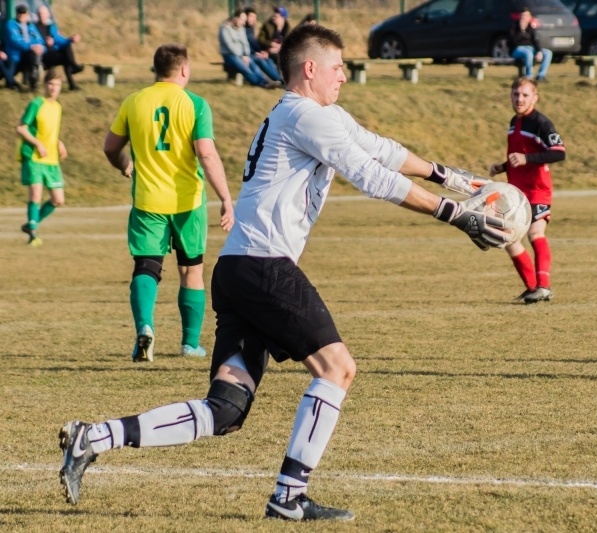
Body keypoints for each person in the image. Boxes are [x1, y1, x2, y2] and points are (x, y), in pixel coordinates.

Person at [58, 24, 509, 521]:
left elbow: (380, 148)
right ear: (310, 69)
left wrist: (451, 178)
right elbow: (372, 177)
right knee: (337, 369)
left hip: (239, 267)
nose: (344, 76)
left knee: (225, 410)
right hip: (264, 265)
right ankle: (289, 495)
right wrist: (456, 213)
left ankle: (93, 437)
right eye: (337, 68)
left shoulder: (319, 115)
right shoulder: (302, 115)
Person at [102, 43, 235, 362]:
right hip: (188, 203)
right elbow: (205, 152)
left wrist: (125, 165)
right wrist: (226, 198)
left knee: (146, 267)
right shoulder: (195, 104)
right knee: (191, 271)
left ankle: (145, 328)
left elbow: (110, 147)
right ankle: (190, 344)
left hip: (148, 201)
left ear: (156, 70)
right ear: (185, 69)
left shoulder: (134, 101)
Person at [489, 78, 565, 304]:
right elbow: (519, 156)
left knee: (535, 234)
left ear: (535, 97)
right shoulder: (514, 122)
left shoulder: (541, 123)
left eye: (524, 95)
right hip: (516, 191)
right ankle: (533, 288)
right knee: (507, 238)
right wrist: (503, 167)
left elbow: (559, 152)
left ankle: (543, 285)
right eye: (516, 94)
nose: (519, 99)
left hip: (537, 189)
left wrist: (527, 158)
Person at [16, 69, 67, 247]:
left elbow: (50, 132)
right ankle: (33, 234)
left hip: (51, 160)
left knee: (58, 200)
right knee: (35, 194)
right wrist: (37, 144)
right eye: (51, 84)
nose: (54, 88)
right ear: (45, 85)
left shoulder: (58, 107)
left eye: (57, 84)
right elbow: (21, 128)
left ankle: (32, 224)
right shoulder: (37, 103)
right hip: (34, 157)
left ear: (61, 87)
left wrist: (59, 142)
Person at [218, 9, 276, 88]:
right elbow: (230, 46)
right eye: (242, 20)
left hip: (242, 55)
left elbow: (245, 43)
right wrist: (242, 56)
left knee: (253, 64)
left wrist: (246, 55)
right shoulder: (225, 29)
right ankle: (259, 83)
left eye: (244, 20)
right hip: (229, 55)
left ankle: (265, 81)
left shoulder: (241, 28)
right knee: (244, 67)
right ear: (235, 18)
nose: (243, 23)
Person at [35, 5, 84, 91]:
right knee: (66, 58)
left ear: (48, 15)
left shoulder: (51, 27)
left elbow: (59, 39)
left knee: (66, 48)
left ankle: (72, 83)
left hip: (53, 54)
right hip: (43, 55)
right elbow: (33, 41)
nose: (41, 15)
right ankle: (74, 67)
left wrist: (70, 39)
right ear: (37, 15)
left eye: (43, 14)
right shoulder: (34, 27)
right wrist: (45, 43)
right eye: (40, 13)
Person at [4, 4, 45, 90]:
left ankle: (33, 82)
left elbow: (39, 39)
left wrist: (38, 47)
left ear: (27, 15)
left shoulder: (31, 26)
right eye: (20, 14)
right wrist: (31, 46)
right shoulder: (11, 24)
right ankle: (11, 82)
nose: (22, 16)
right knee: (9, 77)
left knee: (34, 55)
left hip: (28, 53)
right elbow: (16, 41)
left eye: (24, 14)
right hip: (15, 55)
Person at [509, 7, 552, 82]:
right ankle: (529, 76)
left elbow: (535, 40)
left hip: (530, 48)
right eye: (522, 16)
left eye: (526, 16)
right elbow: (513, 41)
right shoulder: (513, 27)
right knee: (528, 53)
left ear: (529, 17)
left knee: (548, 53)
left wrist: (539, 51)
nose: (524, 18)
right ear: (519, 16)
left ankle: (540, 75)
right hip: (517, 49)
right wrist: (521, 30)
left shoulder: (530, 28)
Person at [243, 6, 282, 83]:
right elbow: (249, 45)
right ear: (246, 17)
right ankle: (278, 80)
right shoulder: (243, 30)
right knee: (261, 60)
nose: (253, 19)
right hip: (248, 54)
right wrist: (260, 52)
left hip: (254, 53)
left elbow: (254, 43)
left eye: (254, 17)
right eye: (251, 16)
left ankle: (278, 78)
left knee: (269, 60)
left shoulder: (251, 29)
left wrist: (263, 52)